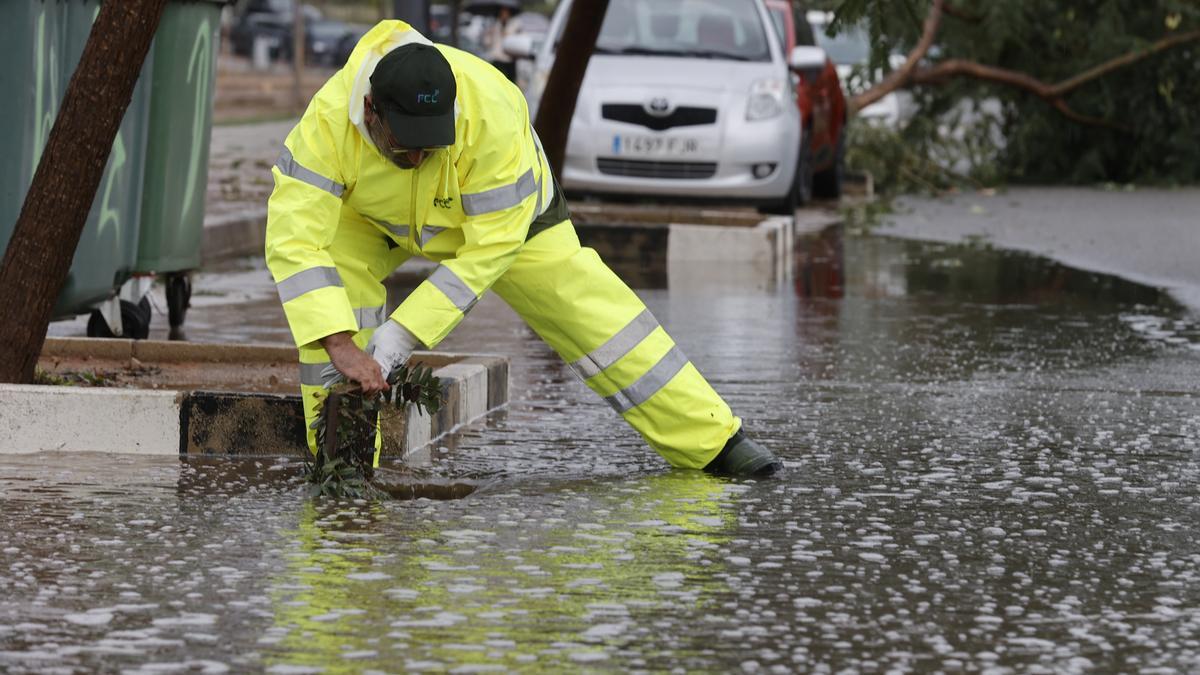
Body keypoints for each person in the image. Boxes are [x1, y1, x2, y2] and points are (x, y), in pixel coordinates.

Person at [264, 20, 782, 477]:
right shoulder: (328, 123)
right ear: (369, 110)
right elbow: (296, 238)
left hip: (506, 223)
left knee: (592, 310)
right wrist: (339, 341)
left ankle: (714, 441)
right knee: (330, 291)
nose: (419, 156)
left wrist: (402, 333)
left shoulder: (491, 112)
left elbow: (487, 251)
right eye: (404, 146)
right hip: (372, 217)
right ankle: (342, 464)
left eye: (430, 145)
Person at [483, 7, 518, 83]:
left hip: (509, 59)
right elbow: (487, 43)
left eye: (506, 13)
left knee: (509, 82)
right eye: (502, 13)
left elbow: (514, 39)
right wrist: (490, 34)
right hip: (497, 58)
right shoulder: (495, 25)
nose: (504, 15)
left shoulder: (514, 24)